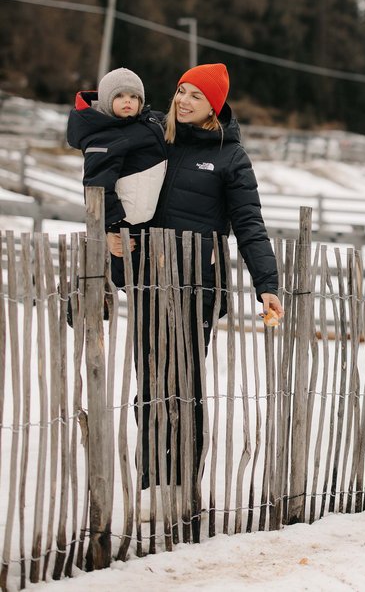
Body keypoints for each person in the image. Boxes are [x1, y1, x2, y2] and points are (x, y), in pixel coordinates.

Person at [107, 62, 283, 523]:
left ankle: (181, 484)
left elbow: (249, 225)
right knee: (149, 384)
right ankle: (150, 483)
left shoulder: (230, 156)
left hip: (196, 287)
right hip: (149, 278)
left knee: (183, 385)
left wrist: (267, 284)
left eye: (196, 96)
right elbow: (106, 160)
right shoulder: (154, 139)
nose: (183, 101)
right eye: (181, 90)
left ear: (214, 106)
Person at [66, 66, 168, 293]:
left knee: (149, 288)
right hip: (124, 226)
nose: (128, 101)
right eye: (120, 96)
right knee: (133, 284)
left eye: (134, 97)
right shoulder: (103, 136)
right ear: (105, 100)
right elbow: (97, 185)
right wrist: (111, 228)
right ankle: (79, 294)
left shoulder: (149, 122)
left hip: (150, 225)